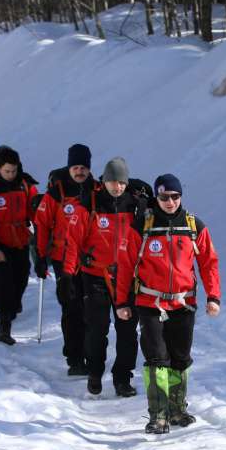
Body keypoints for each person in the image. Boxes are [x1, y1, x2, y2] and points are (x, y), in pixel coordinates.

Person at [115, 174, 221, 434]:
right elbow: (126, 265)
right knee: (156, 358)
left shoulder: (194, 226)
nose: (170, 202)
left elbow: (209, 263)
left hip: (184, 303)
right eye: (164, 197)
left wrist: (213, 296)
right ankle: (158, 414)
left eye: (175, 196)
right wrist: (121, 301)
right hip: (150, 303)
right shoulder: (143, 225)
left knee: (180, 358)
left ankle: (176, 408)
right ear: (157, 198)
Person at [63, 157, 142, 397]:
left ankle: (122, 377)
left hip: (127, 276)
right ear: (103, 181)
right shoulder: (90, 203)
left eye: (121, 182)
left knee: (128, 330)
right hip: (95, 275)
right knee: (97, 327)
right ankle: (95, 372)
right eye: (112, 181)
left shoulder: (136, 205)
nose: (116, 187)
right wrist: (67, 275)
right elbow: (73, 240)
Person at [34, 143, 98, 376]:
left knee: (91, 309)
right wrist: (40, 256)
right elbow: (41, 224)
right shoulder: (57, 192)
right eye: (75, 167)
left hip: (91, 261)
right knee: (71, 308)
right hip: (63, 259)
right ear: (69, 167)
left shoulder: (97, 190)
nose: (79, 171)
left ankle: (92, 356)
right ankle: (74, 358)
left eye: (83, 167)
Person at [0, 147, 39, 345]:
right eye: (7, 171)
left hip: (20, 240)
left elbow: (35, 210)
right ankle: (4, 326)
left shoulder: (25, 185)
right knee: (3, 284)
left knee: (21, 279)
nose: (11, 175)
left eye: (14, 170)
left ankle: (10, 308)